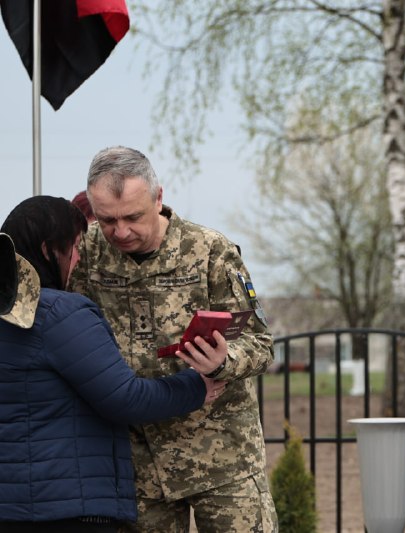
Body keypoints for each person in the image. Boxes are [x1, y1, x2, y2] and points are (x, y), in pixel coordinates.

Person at [69, 146, 278, 532]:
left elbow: (261, 344)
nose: (121, 231)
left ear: (158, 198)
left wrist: (224, 361)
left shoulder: (209, 250)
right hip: (137, 464)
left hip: (222, 456)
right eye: (108, 219)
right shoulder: (87, 252)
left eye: (133, 216)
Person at [0, 196, 227, 532]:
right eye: (75, 246)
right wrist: (196, 386)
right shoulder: (59, 314)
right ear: (49, 250)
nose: (79, 258)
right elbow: (125, 398)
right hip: (65, 509)